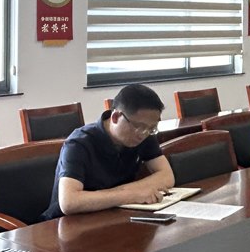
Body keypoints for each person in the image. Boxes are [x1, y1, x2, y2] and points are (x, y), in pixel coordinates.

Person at [41, 83, 175, 220]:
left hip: (112, 215)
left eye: (151, 128)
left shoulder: (144, 134)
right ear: (115, 117)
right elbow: (69, 202)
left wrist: (119, 193)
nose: (143, 134)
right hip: (65, 223)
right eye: (138, 126)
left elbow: (167, 176)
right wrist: (131, 194)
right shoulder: (79, 143)